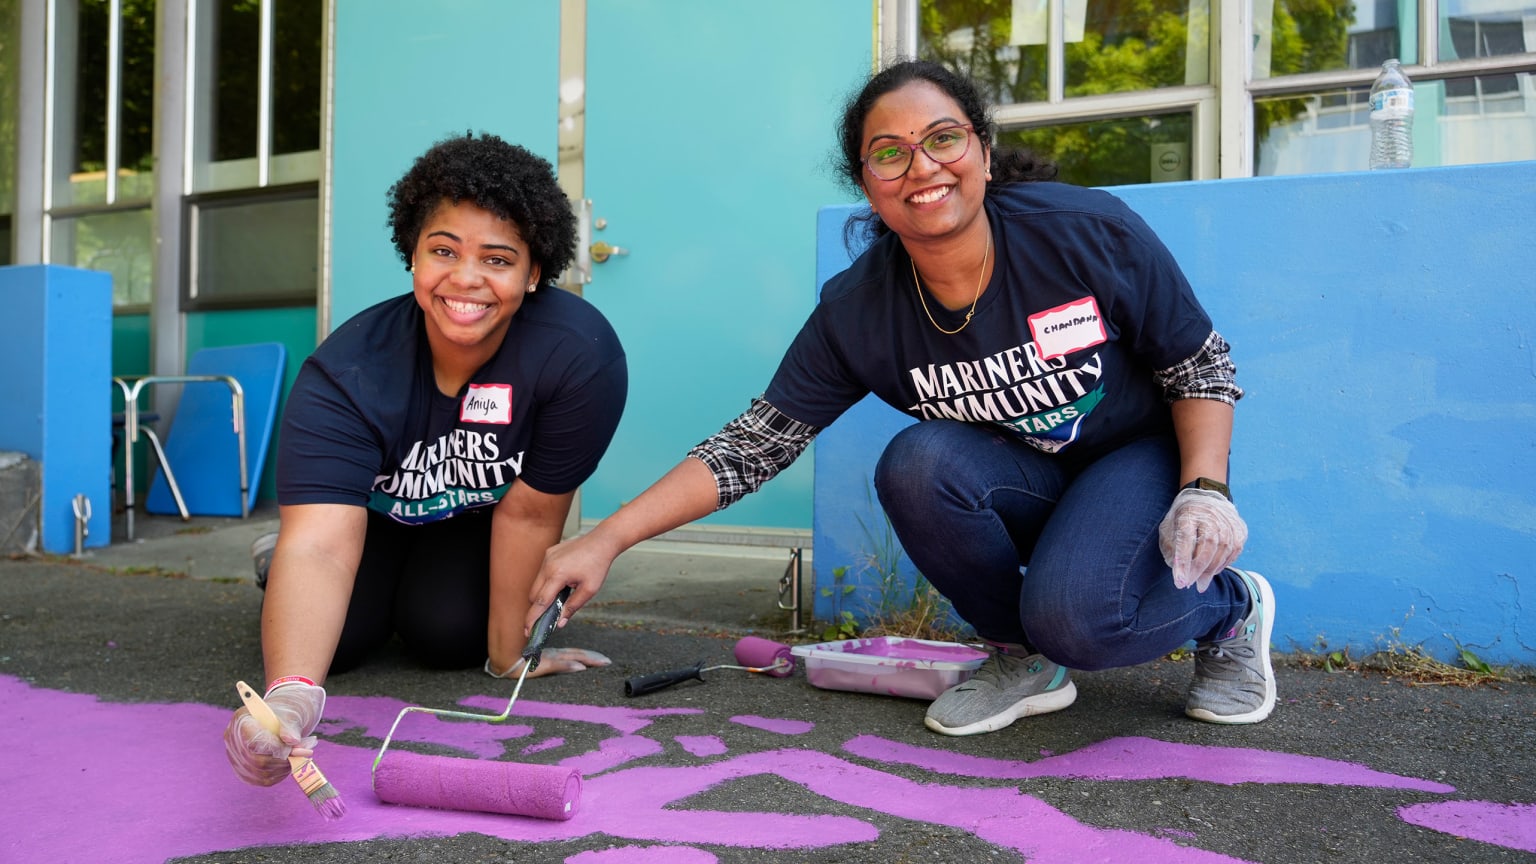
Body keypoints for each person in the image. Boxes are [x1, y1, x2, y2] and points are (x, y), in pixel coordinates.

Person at [527, 60, 1275, 737]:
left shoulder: (1083, 233)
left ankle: (1229, 615)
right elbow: (754, 445)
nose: (922, 167)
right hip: (1027, 475)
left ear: (981, 149)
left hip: (1135, 458)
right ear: (867, 182)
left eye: (943, 139)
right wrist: (606, 538)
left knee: (1079, 621)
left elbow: (1198, 367)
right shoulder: (861, 310)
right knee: (916, 463)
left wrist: (1204, 491)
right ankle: (1020, 657)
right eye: (890, 152)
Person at [224, 132, 627, 786]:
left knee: (447, 637)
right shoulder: (347, 371)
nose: (465, 279)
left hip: (472, 520)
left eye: (497, 259)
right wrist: (290, 698)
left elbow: (528, 516)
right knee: (343, 645)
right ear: (412, 254)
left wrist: (508, 660)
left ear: (533, 272)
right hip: (365, 521)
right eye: (444, 251)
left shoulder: (577, 358)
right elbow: (323, 547)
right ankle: (275, 554)